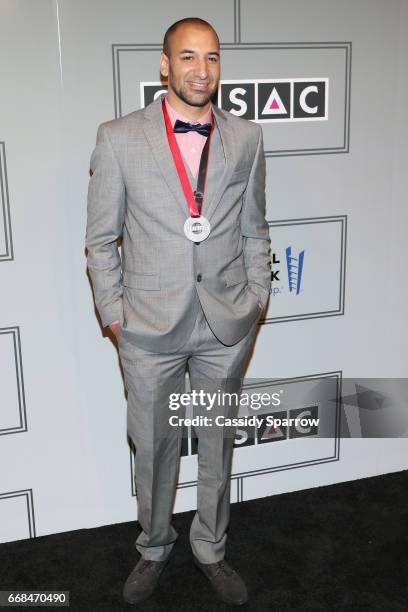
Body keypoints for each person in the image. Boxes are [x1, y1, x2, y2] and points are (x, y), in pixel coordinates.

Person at [85, 17, 271, 607]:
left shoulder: (245, 138)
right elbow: (100, 240)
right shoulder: (118, 138)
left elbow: (255, 229)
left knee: (217, 442)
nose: (202, 71)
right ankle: (154, 546)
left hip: (223, 325)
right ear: (164, 65)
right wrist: (116, 315)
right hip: (148, 329)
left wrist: (258, 298)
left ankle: (211, 548)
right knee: (156, 447)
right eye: (188, 58)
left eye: (212, 58)